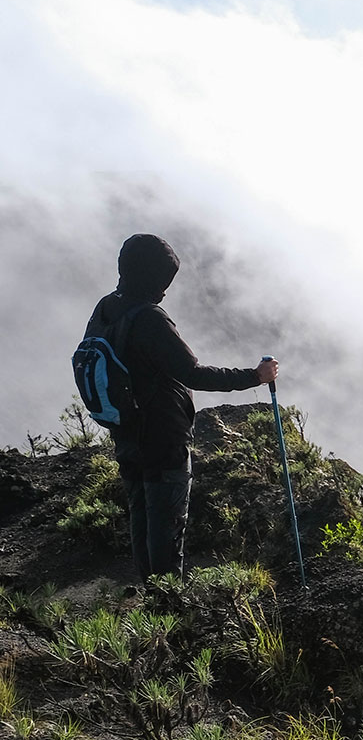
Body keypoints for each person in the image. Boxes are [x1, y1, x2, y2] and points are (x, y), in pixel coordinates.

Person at [83, 234, 277, 582]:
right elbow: (192, 373)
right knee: (167, 529)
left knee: (141, 518)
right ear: (153, 279)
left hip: (126, 433)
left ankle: (151, 599)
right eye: (163, 280)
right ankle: (168, 611)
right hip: (162, 440)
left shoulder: (106, 309)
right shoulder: (150, 320)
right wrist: (256, 376)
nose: (165, 290)